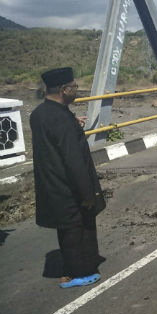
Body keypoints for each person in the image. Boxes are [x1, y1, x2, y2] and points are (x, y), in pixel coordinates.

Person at [30, 67, 106, 288]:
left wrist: (73, 123)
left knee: (66, 229)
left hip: (51, 184)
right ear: (64, 90)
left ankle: (70, 270)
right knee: (79, 229)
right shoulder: (62, 119)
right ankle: (79, 272)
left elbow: (53, 139)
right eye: (74, 87)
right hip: (70, 186)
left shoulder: (40, 113)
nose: (76, 90)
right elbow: (74, 161)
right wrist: (88, 193)